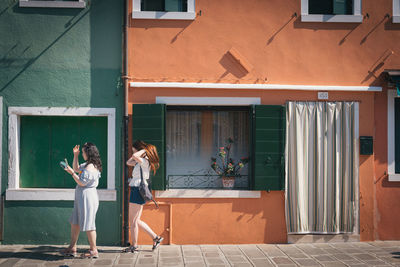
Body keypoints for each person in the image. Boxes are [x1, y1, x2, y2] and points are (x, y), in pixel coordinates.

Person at [61, 142, 102, 258]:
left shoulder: (90, 167)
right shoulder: (89, 164)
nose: (82, 154)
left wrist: (72, 173)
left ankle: (94, 250)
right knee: (75, 221)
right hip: (82, 197)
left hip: (88, 198)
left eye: (83, 152)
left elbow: (81, 182)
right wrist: (75, 155)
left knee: (89, 224)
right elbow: (76, 168)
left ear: (88, 153)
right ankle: (72, 247)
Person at [123, 140, 163, 253]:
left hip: (137, 190)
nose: (133, 152)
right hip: (137, 189)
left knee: (133, 221)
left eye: (133, 149)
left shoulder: (145, 161)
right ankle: (156, 237)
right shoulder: (140, 161)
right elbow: (128, 162)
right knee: (136, 220)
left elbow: (135, 156)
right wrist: (138, 154)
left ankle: (134, 246)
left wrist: (144, 150)